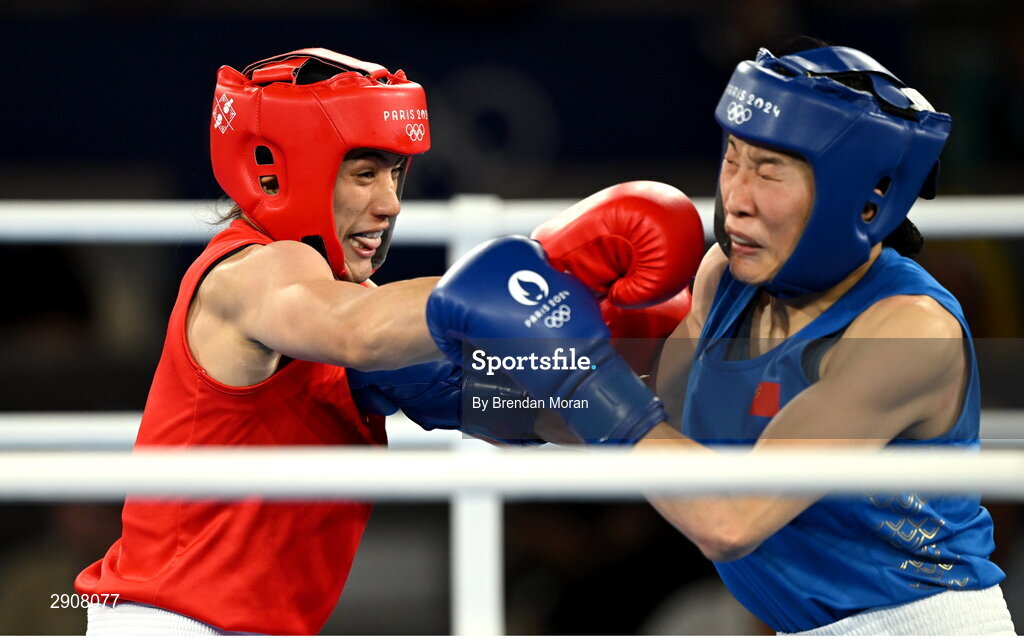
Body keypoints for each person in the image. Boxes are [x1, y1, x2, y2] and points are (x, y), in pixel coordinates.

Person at [72, 46, 705, 635]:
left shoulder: (353, 316)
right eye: (365, 173)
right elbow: (355, 331)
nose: (390, 203)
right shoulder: (251, 274)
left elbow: (529, 409)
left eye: (395, 174)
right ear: (274, 171)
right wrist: (531, 274)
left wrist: (642, 361)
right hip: (163, 622)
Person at [424, 42, 1017, 634]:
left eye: (769, 171)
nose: (736, 199)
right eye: (733, 157)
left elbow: (730, 519)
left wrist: (582, 372)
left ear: (861, 198)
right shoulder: (728, 277)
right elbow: (662, 424)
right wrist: (472, 400)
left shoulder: (909, 331)